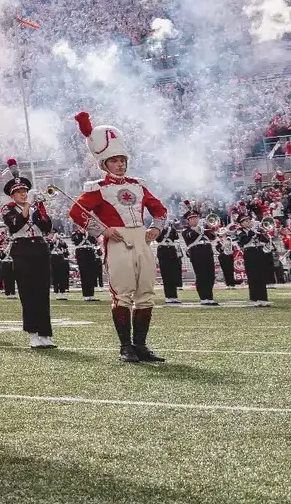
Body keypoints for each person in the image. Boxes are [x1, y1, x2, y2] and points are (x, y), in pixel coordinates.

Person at [67, 111, 169, 364]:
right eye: (114, 160)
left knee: (146, 294)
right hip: (117, 242)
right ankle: (125, 347)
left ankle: (141, 346)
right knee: (122, 294)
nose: (120, 164)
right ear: (104, 164)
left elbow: (160, 209)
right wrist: (101, 230)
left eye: (122, 159)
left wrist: (155, 228)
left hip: (142, 241)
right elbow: (75, 211)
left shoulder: (139, 185)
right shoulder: (97, 188)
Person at [0, 166, 55, 349]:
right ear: (12, 195)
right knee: (28, 293)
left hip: (39, 248)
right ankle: (32, 333)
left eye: (25, 191)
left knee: (42, 293)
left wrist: (41, 207)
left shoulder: (35, 206)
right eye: (19, 192)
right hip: (22, 250)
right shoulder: (7, 209)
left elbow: (47, 227)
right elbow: (15, 224)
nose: (23, 194)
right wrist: (27, 207)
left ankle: (45, 333)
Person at [180, 211, 219, 306]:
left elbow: (213, 237)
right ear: (188, 221)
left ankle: (209, 297)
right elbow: (191, 236)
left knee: (210, 275)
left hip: (208, 252)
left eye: (196, 218)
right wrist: (199, 228)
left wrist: (211, 228)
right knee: (201, 276)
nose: (195, 220)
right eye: (192, 219)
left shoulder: (204, 228)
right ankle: (203, 297)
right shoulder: (186, 231)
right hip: (197, 253)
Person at [73, 225, 102, 300]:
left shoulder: (90, 234)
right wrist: (81, 233)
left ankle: (91, 295)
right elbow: (76, 241)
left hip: (90, 253)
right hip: (81, 253)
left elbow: (94, 242)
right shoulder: (75, 234)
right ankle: (86, 295)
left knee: (91, 274)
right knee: (84, 274)